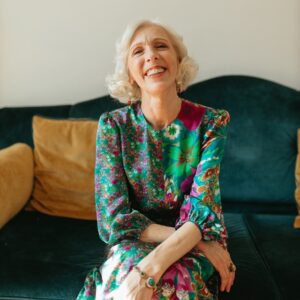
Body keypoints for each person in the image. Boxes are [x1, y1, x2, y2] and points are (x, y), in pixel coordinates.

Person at [77, 18, 236, 300]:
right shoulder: (113, 125)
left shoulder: (211, 122)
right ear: (129, 71)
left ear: (178, 60)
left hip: (195, 234)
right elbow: (115, 220)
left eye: (160, 46)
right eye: (138, 51)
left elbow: (203, 210)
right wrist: (200, 245)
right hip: (143, 238)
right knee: (124, 279)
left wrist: (149, 270)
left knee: (175, 285)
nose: (150, 55)